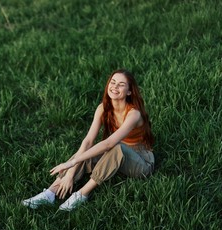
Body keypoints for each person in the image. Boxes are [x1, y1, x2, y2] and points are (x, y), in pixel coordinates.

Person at [22, 69, 155, 211]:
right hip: (117, 153)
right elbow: (88, 141)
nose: (115, 87)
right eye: (113, 82)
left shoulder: (134, 114)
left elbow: (108, 144)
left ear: (129, 91)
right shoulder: (103, 108)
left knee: (115, 148)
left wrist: (71, 163)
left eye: (121, 84)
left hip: (141, 161)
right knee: (89, 151)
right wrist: (71, 173)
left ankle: (81, 194)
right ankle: (50, 193)